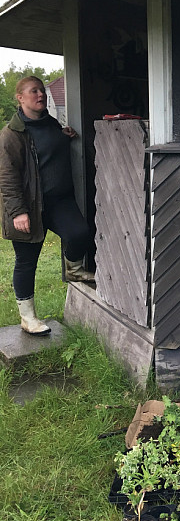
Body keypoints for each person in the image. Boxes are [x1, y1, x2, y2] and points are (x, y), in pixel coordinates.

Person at [0, 75, 94, 336]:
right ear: (20, 98)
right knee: (27, 261)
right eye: (33, 92)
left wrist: (65, 135)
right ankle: (28, 318)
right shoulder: (11, 135)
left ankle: (73, 270)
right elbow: (7, 178)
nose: (40, 95)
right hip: (29, 206)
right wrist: (18, 212)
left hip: (58, 201)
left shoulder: (51, 123)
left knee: (79, 234)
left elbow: (48, 147)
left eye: (42, 90)